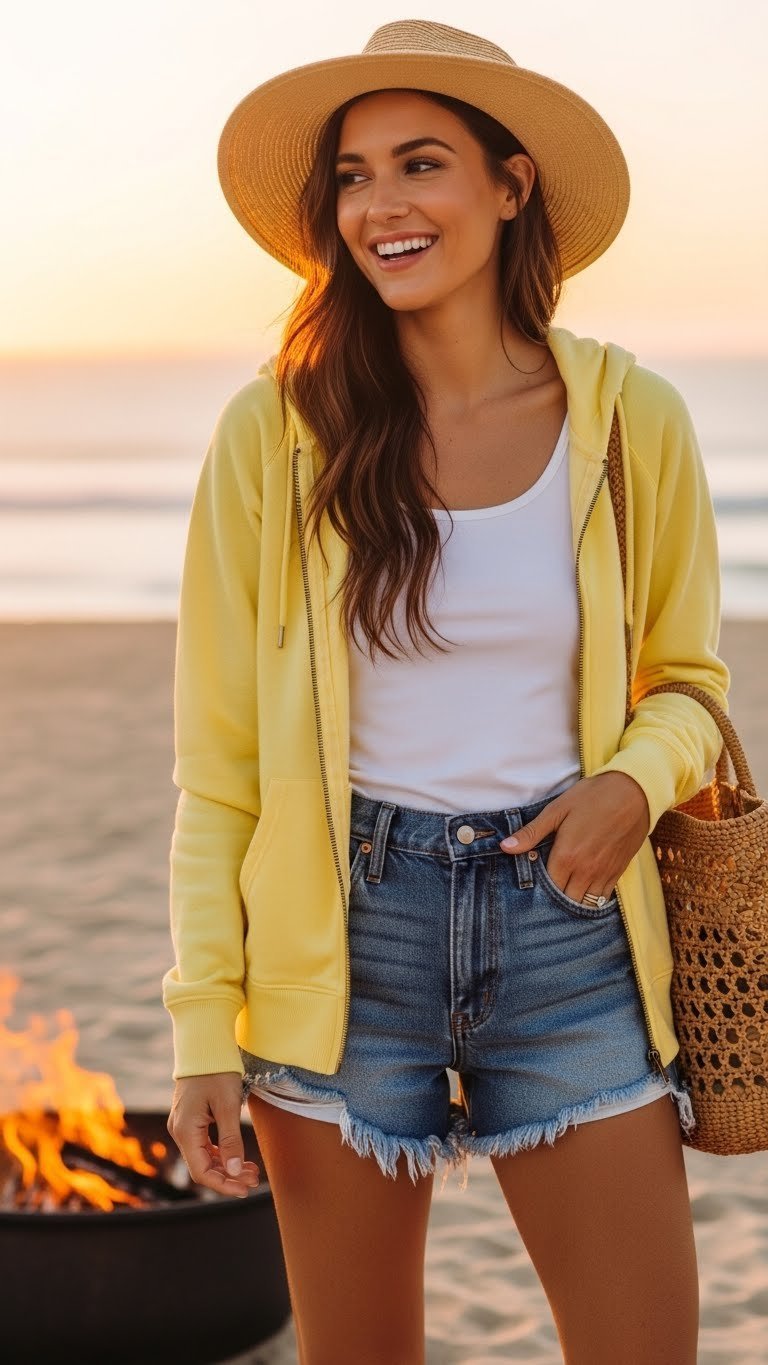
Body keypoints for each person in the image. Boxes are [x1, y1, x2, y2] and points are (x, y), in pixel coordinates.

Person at [164, 19, 730, 1364]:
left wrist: (629, 781)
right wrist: (200, 1024)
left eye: (421, 163)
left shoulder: (627, 418)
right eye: (353, 177)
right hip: (343, 940)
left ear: (511, 183)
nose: (380, 206)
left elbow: (694, 689)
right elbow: (220, 759)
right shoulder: (277, 431)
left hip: (575, 935)